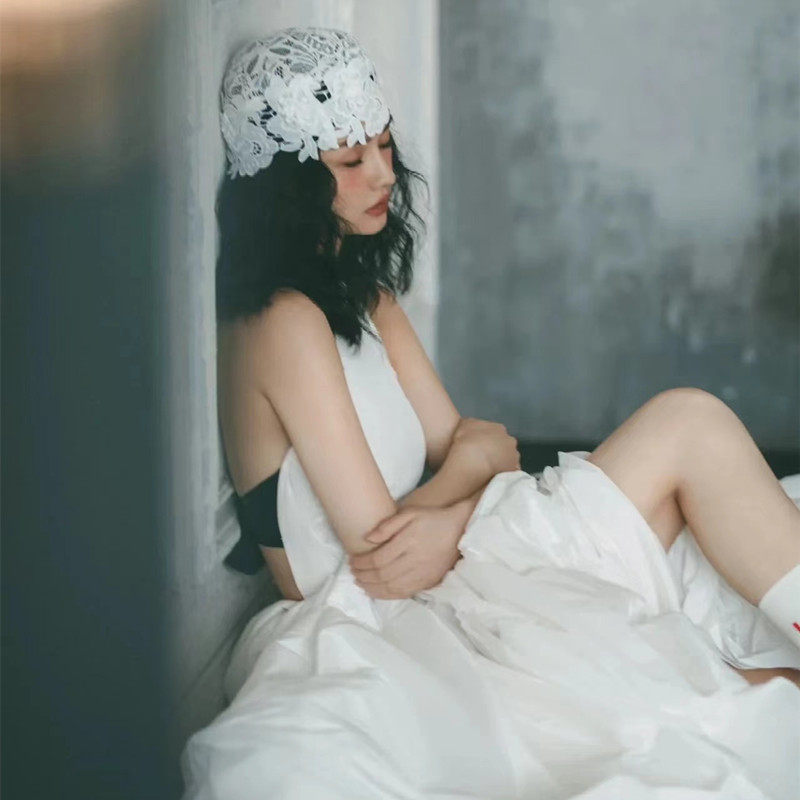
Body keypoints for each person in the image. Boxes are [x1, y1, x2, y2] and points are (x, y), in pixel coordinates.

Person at [182, 27, 800, 799]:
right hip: (387, 611)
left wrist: (459, 490)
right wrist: (464, 479)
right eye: (351, 160)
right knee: (688, 441)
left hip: (457, 553)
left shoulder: (366, 298)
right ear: (290, 183)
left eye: (384, 145)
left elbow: (484, 447)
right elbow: (382, 552)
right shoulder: (280, 323)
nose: (384, 174)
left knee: (691, 426)